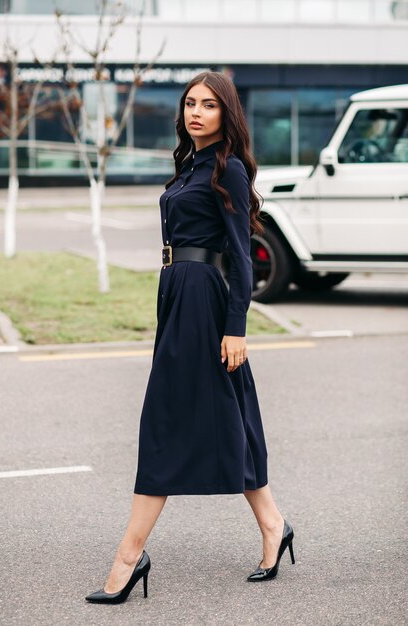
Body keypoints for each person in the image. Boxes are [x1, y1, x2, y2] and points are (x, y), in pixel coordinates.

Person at [85, 71, 295, 605]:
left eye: (208, 105)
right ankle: (274, 525)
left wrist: (236, 327)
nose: (195, 112)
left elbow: (242, 258)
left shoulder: (227, 170)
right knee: (234, 411)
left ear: (227, 114)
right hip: (178, 298)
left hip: (206, 301)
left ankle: (129, 557)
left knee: (164, 421)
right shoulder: (188, 167)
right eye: (189, 104)